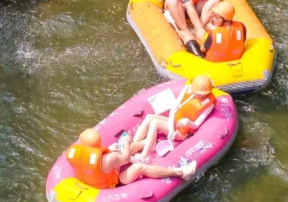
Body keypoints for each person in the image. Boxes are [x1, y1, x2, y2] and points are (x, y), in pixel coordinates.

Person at [65, 128, 196, 190]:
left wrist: (111, 149)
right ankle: (181, 172)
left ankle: (148, 143)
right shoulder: (108, 159)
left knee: (126, 148)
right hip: (111, 184)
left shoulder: (72, 153)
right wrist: (126, 141)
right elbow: (126, 159)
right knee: (139, 167)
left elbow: (90, 160)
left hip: (92, 178)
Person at [128, 75, 216, 160]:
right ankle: (133, 144)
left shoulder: (209, 104)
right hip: (174, 123)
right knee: (149, 117)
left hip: (182, 132)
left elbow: (196, 125)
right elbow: (174, 107)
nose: (201, 96)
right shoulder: (188, 89)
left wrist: (188, 122)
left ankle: (144, 155)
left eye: (204, 94)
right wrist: (170, 127)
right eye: (198, 93)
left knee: (155, 123)